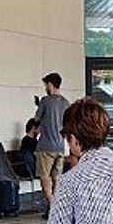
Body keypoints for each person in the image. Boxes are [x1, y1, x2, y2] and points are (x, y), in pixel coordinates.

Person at [34, 73, 70, 215]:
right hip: (60, 147)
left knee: (44, 176)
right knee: (57, 179)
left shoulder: (45, 101)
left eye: (46, 85)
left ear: (50, 84)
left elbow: (37, 119)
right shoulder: (66, 103)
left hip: (46, 146)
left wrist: (39, 106)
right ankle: (57, 206)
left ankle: (52, 205)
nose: (45, 88)